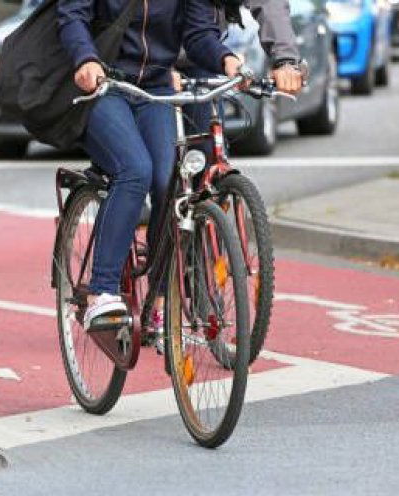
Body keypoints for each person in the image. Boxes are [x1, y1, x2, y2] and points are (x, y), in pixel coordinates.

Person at [57, 0, 244, 328]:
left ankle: (158, 297)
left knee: (169, 181)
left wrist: (225, 59)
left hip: (154, 88)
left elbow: (199, 34)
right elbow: (73, 16)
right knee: (134, 170)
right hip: (105, 85)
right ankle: (102, 291)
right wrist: (85, 59)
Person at [181, 0, 304, 155]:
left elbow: (269, 3)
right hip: (149, 66)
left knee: (210, 153)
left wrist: (285, 60)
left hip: (204, 54)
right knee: (154, 169)